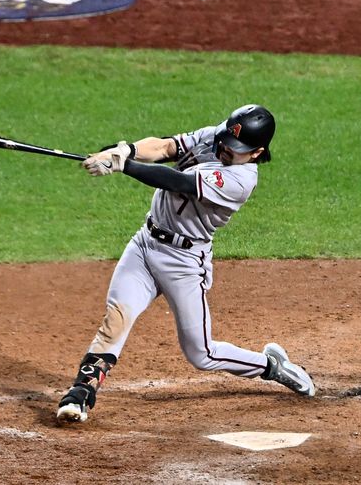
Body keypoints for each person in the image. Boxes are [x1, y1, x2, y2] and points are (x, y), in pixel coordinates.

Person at [56, 104, 315, 424]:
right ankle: (81, 393)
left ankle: (270, 366)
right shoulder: (218, 136)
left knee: (201, 354)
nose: (224, 150)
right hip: (144, 244)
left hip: (184, 262)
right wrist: (126, 149)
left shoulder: (241, 179)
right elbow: (166, 147)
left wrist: (124, 165)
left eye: (235, 150)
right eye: (225, 142)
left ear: (256, 152)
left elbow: (176, 181)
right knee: (116, 318)